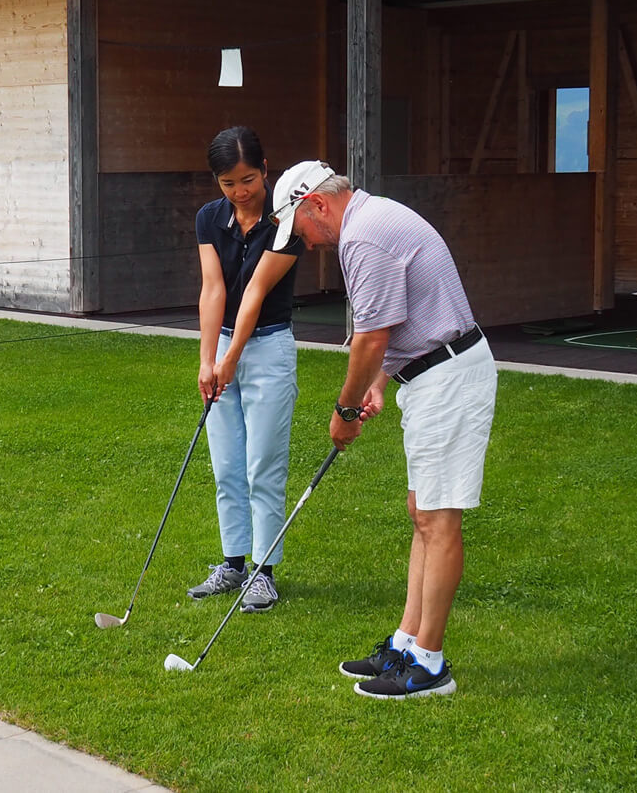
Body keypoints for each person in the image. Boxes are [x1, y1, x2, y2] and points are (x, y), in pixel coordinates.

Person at [269, 159, 496, 699]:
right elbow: (383, 330)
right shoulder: (370, 223)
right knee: (423, 514)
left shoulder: (365, 237)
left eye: (300, 227)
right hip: (429, 373)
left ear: (316, 203)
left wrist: (345, 412)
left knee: (438, 521)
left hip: (448, 378)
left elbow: (372, 338)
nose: (305, 240)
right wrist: (377, 379)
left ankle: (430, 666)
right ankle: (407, 642)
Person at [188, 126, 303, 614]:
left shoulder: (287, 222)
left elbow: (254, 292)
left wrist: (230, 359)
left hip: (268, 350)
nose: (239, 192)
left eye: (248, 180)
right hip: (223, 351)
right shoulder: (209, 220)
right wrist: (206, 360)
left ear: (265, 171)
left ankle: (264, 572)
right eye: (228, 183)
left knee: (263, 466)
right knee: (227, 465)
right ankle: (233, 564)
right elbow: (214, 289)